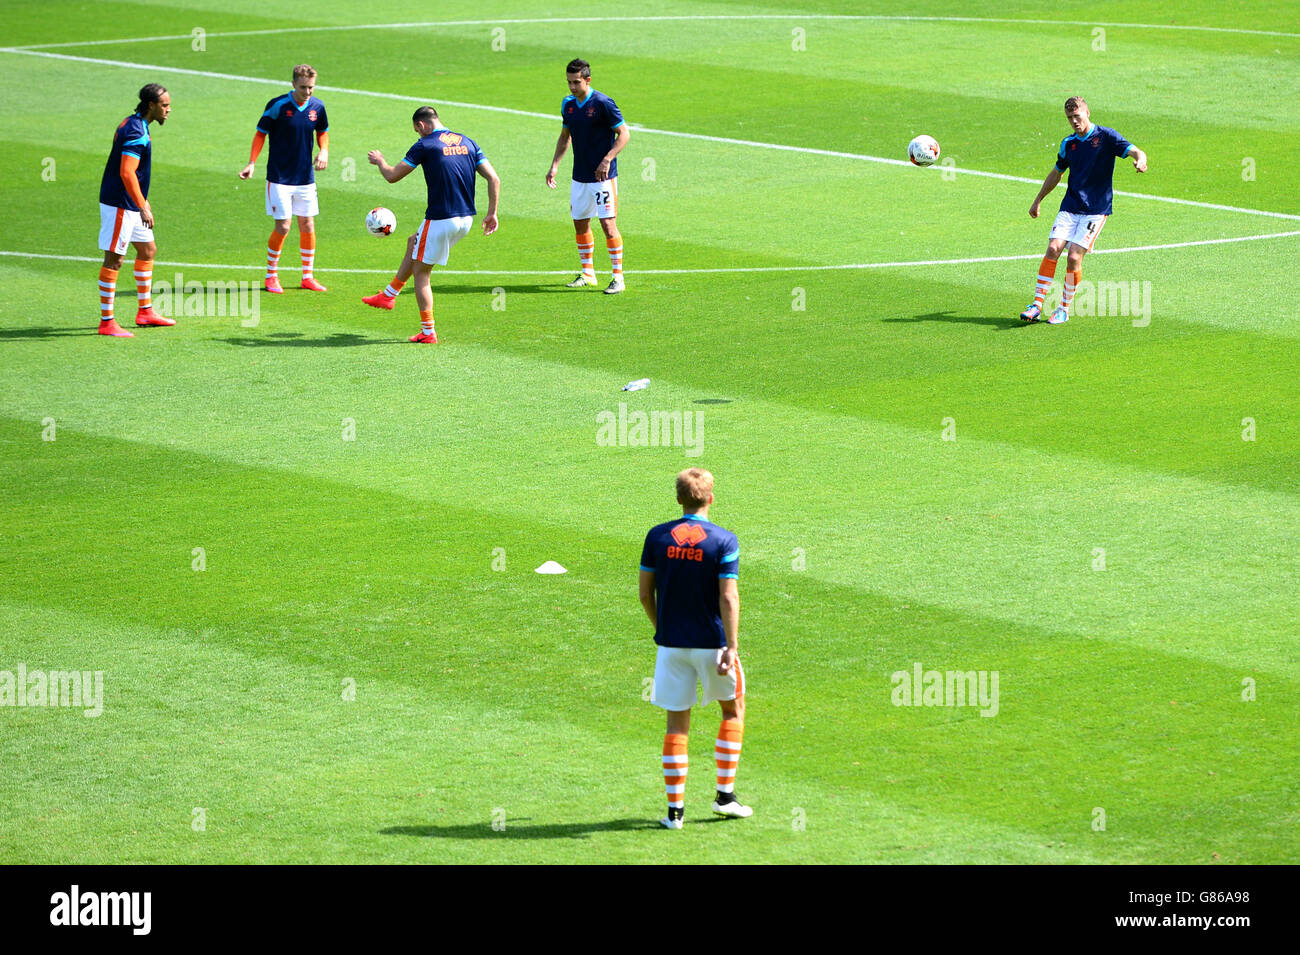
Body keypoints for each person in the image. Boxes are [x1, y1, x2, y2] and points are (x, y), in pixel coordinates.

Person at [639, 468, 749, 829]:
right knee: (732, 712)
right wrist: (731, 646)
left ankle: (674, 814)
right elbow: (728, 598)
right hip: (713, 645)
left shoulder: (656, 537)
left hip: (671, 647)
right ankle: (725, 796)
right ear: (711, 498)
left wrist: (664, 629)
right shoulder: (724, 540)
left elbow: (644, 593)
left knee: (676, 725)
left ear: (678, 499)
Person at [362, 106, 500, 343]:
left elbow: (392, 176)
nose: (418, 134)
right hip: (466, 219)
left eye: (417, 130)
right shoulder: (468, 142)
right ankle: (389, 294)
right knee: (413, 242)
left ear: (421, 125)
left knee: (422, 273)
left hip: (440, 218)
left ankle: (428, 332)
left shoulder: (425, 144)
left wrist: (380, 161)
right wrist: (492, 213)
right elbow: (494, 178)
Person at [1021, 96, 1148, 324]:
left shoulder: (1107, 137)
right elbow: (1057, 172)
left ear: (1087, 112)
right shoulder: (1068, 143)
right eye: (1070, 118)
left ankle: (1063, 309)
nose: (1074, 122)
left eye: (1077, 116)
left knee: (1073, 257)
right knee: (1053, 248)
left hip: (1096, 211)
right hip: (1070, 206)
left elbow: (1135, 151)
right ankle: (1037, 305)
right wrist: (1038, 199)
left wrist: (1141, 161)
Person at [239, 64, 329, 294]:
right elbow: (260, 133)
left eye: (311, 87)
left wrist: (324, 150)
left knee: (307, 224)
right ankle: (271, 276)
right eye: (303, 87)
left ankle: (307, 276)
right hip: (279, 177)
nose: (308, 92)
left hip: (305, 178)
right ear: (293, 84)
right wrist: (252, 163)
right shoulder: (278, 105)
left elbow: (322, 131)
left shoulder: (317, 107)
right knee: (284, 226)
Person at [545, 58, 630, 295]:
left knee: (607, 224)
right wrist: (554, 166)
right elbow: (565, 137)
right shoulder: (568, 104)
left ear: (588, 80)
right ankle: (588, 273)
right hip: (579, 176)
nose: (572, 87)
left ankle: (617, 277)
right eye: (569, 82)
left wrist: (608, 159)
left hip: (603, 177)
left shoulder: (603, 103)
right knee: (580, 223)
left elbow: (624, 134)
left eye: (576, 82)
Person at [96, 83, 173, 337]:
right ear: (151, 105)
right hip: (120, 203)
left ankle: (145, 311)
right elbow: (126, 171)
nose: (168, 110)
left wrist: (143, 201)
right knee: (115, 259)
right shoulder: (136, 132)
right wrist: (142, 205)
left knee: (147, 250)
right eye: (164, 105)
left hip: (132, 201)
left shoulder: (134, 122)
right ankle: (107, 322)